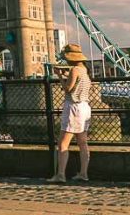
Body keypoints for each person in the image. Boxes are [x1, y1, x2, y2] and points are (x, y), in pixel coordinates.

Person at [48, 43, 92, 183]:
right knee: (82, 143)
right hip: (85, 107)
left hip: (73, 107)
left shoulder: (74, 70)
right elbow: (77, 81)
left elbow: (68, 89)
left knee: (63, 143)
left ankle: (60, 175)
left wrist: (60, 76)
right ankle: (83, 173)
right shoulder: (84, 70)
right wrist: (65, 74)